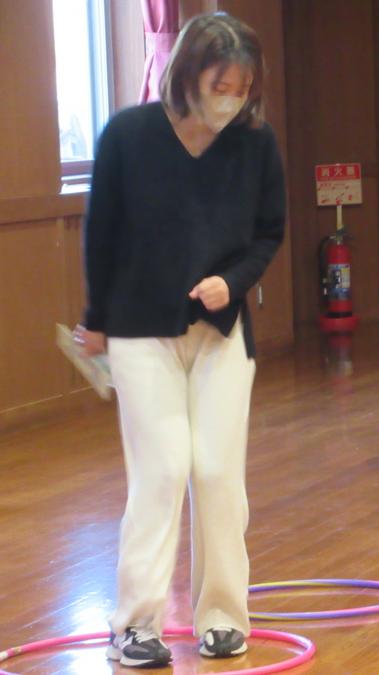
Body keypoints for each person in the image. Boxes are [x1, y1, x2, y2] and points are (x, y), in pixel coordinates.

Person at [74, 13, 285, 668]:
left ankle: (222, 616)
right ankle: (135, 624)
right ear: (188, 74)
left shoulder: (254, 141)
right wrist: (96, 319)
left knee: (219, 472)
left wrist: (235, 280)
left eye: (241, 87)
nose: (230, 99)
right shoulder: (128, 135)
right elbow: (100, 230)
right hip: (141, 329)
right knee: (162, 469)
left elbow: (268, 233)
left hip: (222, 333)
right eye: (220, 84)